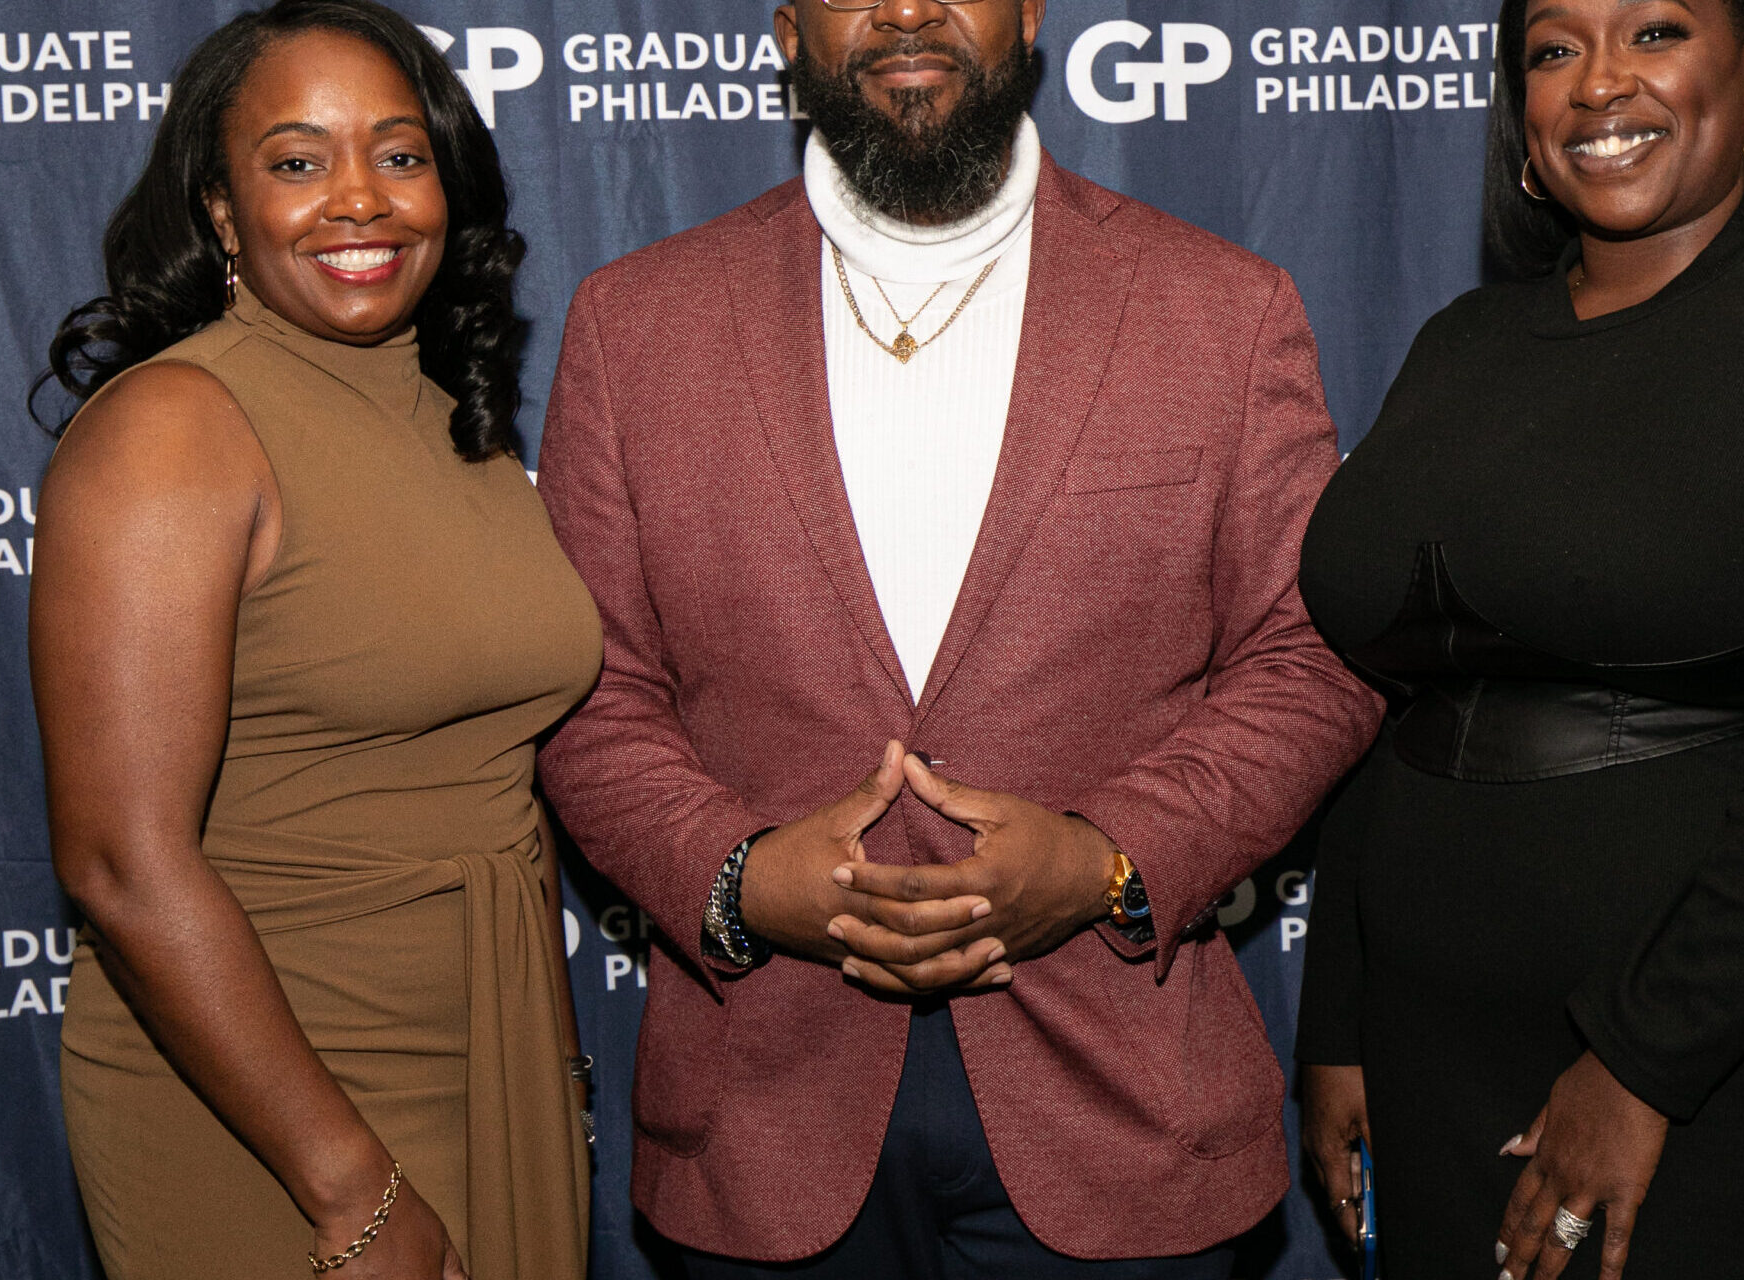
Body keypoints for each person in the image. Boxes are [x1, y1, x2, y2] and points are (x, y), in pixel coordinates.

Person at [533, 0, 1382, 1275]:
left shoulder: (1222, 308)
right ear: (782, 28)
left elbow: (1306, 657)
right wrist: (735, 875)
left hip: (1122, 1109)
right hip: (761, 1116)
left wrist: (1110, 859)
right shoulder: (634, 322)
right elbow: (591, 686)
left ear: (1031, 14)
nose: (908, 8)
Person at [1293, 0, 1744, 1276]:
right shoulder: (1459, 346)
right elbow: (1404, 691)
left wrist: (1642, 1058)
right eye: (1554, 50)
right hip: (1438, 1047)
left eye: (1654, 33)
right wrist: (1341, 1013)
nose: (1598, 83)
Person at [28, 3, 597, 1276]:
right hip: (273, 1100)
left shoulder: (462, 423)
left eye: (399, 155)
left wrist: (546, 1065)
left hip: (487, 1053)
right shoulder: (176, 425)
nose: (361, 200)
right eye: (297, 161)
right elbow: (121, 860)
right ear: (222, 211)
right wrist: (352, 1189)